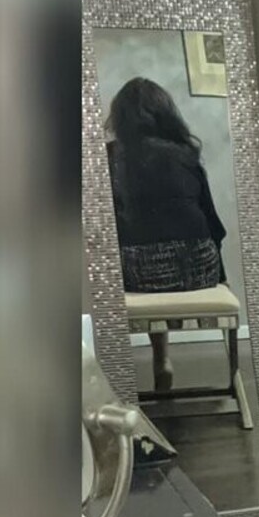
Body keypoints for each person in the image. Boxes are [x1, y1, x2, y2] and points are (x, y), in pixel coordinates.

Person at [105, 77, 227, 391]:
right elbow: (211, 221)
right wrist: (221, 275)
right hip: (198, 267)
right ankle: (167, 357)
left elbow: (109, 225)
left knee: (139, 256)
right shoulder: (185, 153)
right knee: (167, 251)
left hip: (142, 273)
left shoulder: (111, 157)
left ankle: (161, 358)